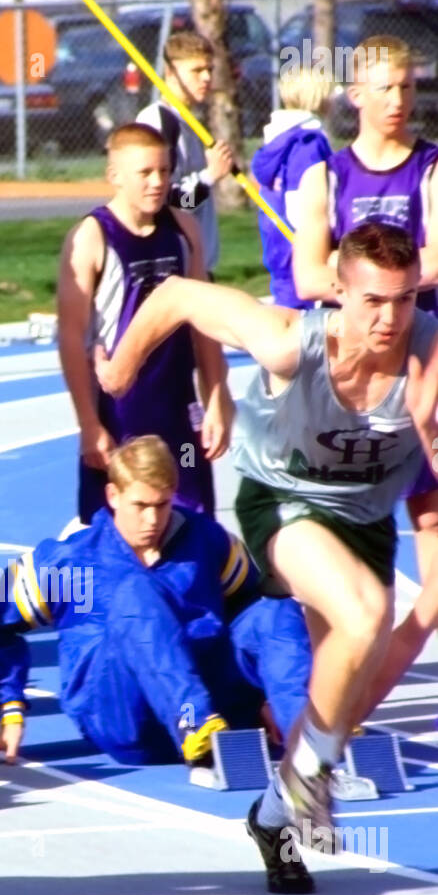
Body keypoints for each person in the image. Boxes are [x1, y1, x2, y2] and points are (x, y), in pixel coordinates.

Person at [93, 222, 438, 861]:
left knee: (349, 667)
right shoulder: (289, 342)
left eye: (404, 299)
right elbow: (174, 295)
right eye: (372, 301)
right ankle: (310, 783)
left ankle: (278, 811)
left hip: (361, 520)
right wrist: (119, 369)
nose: (389, 320)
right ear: (338, 291)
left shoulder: (429, 353)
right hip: (283, 500)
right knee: (363, 613)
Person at [0, 435, 315, 894]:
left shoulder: (206, 540)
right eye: (140, 505)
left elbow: (253, 609)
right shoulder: (71, 559)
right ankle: (194, 727)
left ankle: (309, 743)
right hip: (122, 714)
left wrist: (271, 694)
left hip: (216, 702)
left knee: (277, 608)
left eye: (163, 505)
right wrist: (11, 706)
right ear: (112, 496)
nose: (152, 519)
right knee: (136, 594)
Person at [292, 35, 438, 579]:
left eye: (406, 87)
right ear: (356, 94)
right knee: (348, 514)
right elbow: (307, 277)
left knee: (430, 513)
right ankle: (353, 632)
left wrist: (355, 276)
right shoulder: (326, 176)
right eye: (384, 89)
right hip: (353, 371)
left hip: (420, 358)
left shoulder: (429, 168)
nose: (398, 100)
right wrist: (386, 284)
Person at [57, 122, 233, 526]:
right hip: (121, 413)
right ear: (114, 175)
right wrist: (88, 424)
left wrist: (217, 398)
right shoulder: (92, 237)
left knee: (193, 525)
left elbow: (205, 324)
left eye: (165, 171)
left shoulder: (183, 229)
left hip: (177, 405)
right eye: (145, 173)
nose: (158, 182)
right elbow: (69, 337)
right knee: (117, 529)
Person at [136, 31, 234, 276]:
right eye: (196, 70)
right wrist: (210, 176)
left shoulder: (188, 121)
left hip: (199, 266)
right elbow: (168, 200)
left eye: (209, 69)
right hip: (176, 269)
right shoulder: (159, 122)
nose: (206, 77)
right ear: (170, 73)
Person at [250, 67, 333, 307]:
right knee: (301, 319)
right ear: (318, 97)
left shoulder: (278, 139)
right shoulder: (308, 143)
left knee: (286, 298)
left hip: (276, 238)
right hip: (299, 242)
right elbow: (300, 200)